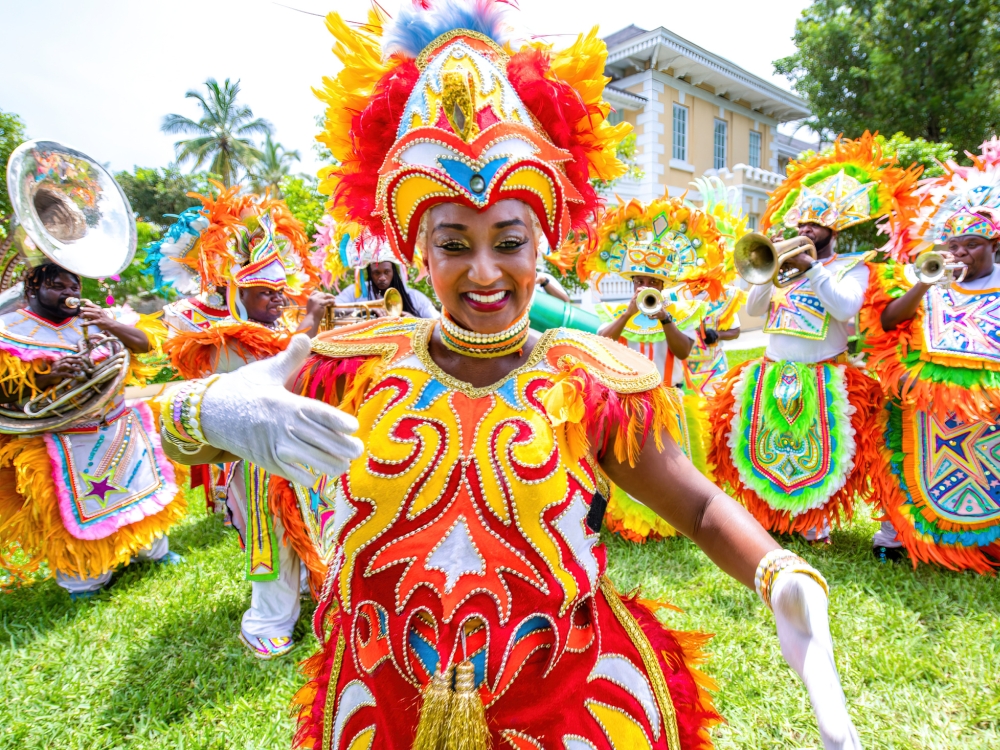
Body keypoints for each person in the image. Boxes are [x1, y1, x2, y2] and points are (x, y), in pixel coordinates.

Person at [160, 4, 860, 748]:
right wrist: (214, 410)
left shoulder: (592, 380)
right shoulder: (353, 361)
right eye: (454, 242)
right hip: (382, 705)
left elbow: (697, 508)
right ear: (415, 249)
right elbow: (168, 430)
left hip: (562, 705)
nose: (484, 271)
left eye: (509, 240)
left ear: (543, 247)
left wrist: (780, 575)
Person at [708, 133, 917, 543]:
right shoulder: (781, 266)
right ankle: (772, 516)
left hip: (823, 375)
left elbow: (845, 309)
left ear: (831, 230)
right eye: (802, 223)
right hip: (773, 370)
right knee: (764, 445)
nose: (806, 228)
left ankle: (813, 521)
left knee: (821, 449)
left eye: (814, 224)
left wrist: (813, 269)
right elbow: (754, 310)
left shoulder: (851, 267)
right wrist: (770, 272)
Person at [161, 186, 330, 659]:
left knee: (310, 525)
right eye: (265, 294)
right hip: (254, 461)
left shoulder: (270, 330)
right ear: (236, 292)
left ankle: (306, 594)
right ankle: (268, 620)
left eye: (280, 292)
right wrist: (310, 324)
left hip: (291, 448)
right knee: (272, 540)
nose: (278, 301)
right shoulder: (221, 339)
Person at [0, 262, 184, 597]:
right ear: (32, 290)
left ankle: (151, 551)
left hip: (120, 425)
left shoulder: (99, 318)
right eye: (58, 286)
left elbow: (144, 345)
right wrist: (49, 376)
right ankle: (85, 578)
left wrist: (108, 323)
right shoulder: (9, 329)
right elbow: (4, 392)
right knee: (74, 505)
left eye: (74, 287)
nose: (69, 293)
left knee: (138, 488)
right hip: (61, 437)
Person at [861, 137, 1000, 571]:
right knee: (903, 452)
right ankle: (897, 533)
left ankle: (983, 544)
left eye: (972, 243)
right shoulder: (932, 281)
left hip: (987, 404)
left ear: (994, 244)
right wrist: (925, 281)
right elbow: (887, 323)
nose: (960, 252)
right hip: (926, 404)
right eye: (954, 244)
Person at [582, 195, 728, 541]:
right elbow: (602, 341)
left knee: (670, 468)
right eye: (639, 282)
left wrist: (665, 319)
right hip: (628, 403)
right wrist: (629, 311)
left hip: (668, 400)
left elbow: (683, 352)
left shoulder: (679, 314)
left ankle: (671, 521)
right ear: (632, 285)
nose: (645, 287)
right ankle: (631, 524)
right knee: (627, 466)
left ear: (663, 286)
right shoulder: (621, 312)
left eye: (652, 283)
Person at [334, 242, 439, 319]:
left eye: (387, 272)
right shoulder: (356, 291)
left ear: (394, 273)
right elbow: (332, 309)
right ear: (370, 274)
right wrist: (363, 309)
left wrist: (415, 321)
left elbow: (437, 321)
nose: (382, 277)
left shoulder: (413, 297)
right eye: (376, 273)